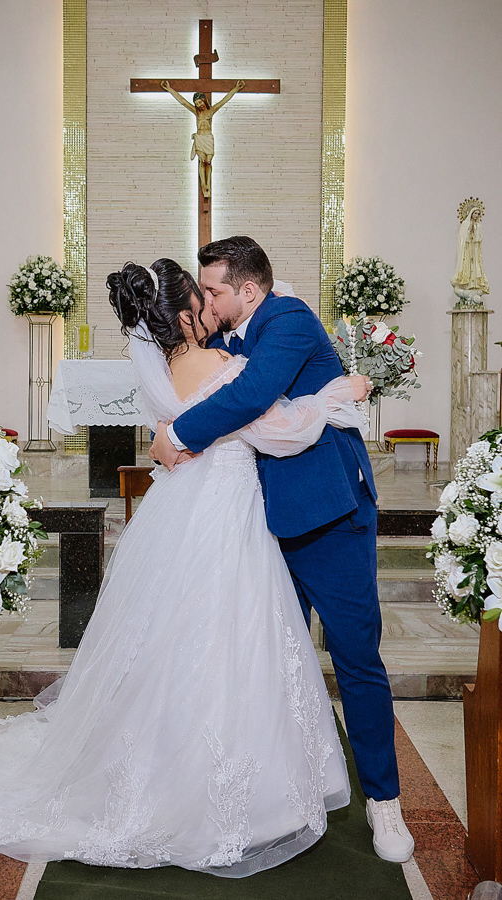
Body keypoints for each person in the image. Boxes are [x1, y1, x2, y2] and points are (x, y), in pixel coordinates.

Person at [0, 258, 370, 876]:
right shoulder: (223, 366)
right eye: (204, 299)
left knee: (174, 641)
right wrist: (344, 391)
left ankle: (155, 769)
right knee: (231, 640)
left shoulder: (164, 372)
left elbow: (184, 428)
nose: (213, 307)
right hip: (229, 515)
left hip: (182, 509)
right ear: (185, 316)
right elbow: (283, 430)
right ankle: (238, 794)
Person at [150, 237, 415, 864]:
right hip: (263, 525)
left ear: (248, 289)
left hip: (329, 514)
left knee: (355, 659)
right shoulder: (231, 340)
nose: (206, 300)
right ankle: (285, 794)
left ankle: (385, 804)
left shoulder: (289, 320)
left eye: (213, 289)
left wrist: (177, 437)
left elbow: (249, 396)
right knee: (276, 667)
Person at [160, 79, 245, 197]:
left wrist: (236, 89)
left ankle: (208, 185)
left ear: (204, 101)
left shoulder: (211, 111)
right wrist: (170, 89)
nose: (199, 105)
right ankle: (204, 184)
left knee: (208, 162)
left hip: (208, 138)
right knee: (202, 160)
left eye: (200, 102)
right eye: (197, 103)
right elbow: (183, 101)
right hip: (200, 137)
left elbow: (224, 100)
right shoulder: (196, 112)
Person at [451, 204, 489, 297]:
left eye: (478, 214)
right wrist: (469, 231)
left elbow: (479, 238)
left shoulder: (478, 225)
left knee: (476, 267)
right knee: (467, 266)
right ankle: (467, 284)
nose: (476, 215)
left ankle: (474, 285)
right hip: (467, 249)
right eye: (475, 213)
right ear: (471, 213)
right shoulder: (465, 224)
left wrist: (475, 232)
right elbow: (461, 237)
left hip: (475, 249)